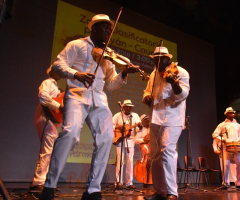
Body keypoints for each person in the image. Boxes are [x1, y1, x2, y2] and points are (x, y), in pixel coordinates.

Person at [40, 14, 138, 200]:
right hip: (77, 95)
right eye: (105, 28)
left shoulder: (109, 55)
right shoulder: (77, 45)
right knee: (70, 134)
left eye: (110, 29)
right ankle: (49, 185)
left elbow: (109, 85)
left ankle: (93, 190)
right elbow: (58, 65)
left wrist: (124, 73)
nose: (109, 32)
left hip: (99, 99)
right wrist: (77, 74)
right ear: (93, 29)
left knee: (107, 138)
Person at [142, 46, 190, 200]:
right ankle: (160, 191)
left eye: (160, 59)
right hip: (155, 118)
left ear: (168, 59)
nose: (157, 62)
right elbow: (148, 91)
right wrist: (147, 97)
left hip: (172, 118)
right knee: (155, 155)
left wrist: (174, 83)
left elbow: (183, 94)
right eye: (155, 60)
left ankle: (172, 192)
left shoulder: (180, 72)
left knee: (167, 151)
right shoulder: (153, 74)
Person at [30, 66, 63, 192]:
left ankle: (45, 182)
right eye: (58, 71)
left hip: (52, 122)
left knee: (50, 152)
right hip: (46, 119)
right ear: (52, 72)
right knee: (47, 151)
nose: (60, 73)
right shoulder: (48, 82)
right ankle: (38, 182)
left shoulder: (56, 87)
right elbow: (43, 97)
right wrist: (58, 107)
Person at [212, 107, 240, 189]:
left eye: (232, 112)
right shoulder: (222, 125)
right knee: (225, 165)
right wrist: (223, 139)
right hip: (226, 147)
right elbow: (214, 134)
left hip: (236, 146)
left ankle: (239, 183)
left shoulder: (238, 125)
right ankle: (225, 183)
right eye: (229, 112)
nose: (231, 114)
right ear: (226, 114)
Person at [112, 99, 142, 189]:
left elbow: (138, 129)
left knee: (129, 161)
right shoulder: (118, 115)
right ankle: (118, 182)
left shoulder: (135, 116)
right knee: (120, 162)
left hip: (130, 140)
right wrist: (118, 126)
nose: (129, 108)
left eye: (130, 107)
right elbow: (110, 125)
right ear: (123, 107)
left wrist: (140, 127)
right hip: (120, 140)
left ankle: (129, 183)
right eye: (127, 106)